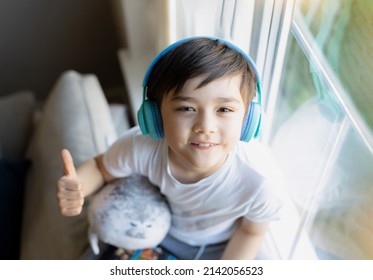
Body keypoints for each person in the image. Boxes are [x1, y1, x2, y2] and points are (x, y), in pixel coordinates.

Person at [56, 37, 282, 260]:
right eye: (186, 108)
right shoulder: (141, 146)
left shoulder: (260, 179)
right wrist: (79, 187)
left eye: (224, 110)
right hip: (160, 230)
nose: (205, 127)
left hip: (223, 246)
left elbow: (252, 231)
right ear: (154, 116)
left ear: (248, 119)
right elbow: (100, 167)